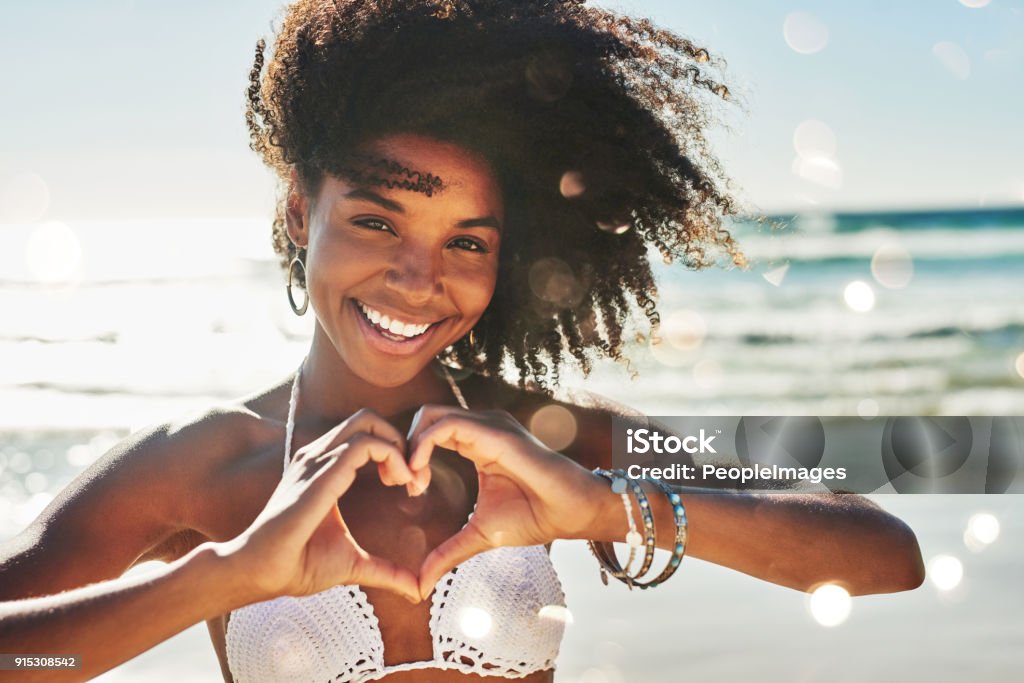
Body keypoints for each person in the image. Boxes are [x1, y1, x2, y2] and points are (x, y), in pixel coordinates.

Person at [0, 1, 925, 681]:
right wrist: (226, 575)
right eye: (375, 222)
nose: (418, 279)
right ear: (299, 210)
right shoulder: (203, 464)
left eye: (467, 241)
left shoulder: (553, 439)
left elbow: (884, 552)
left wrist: (605, 508)